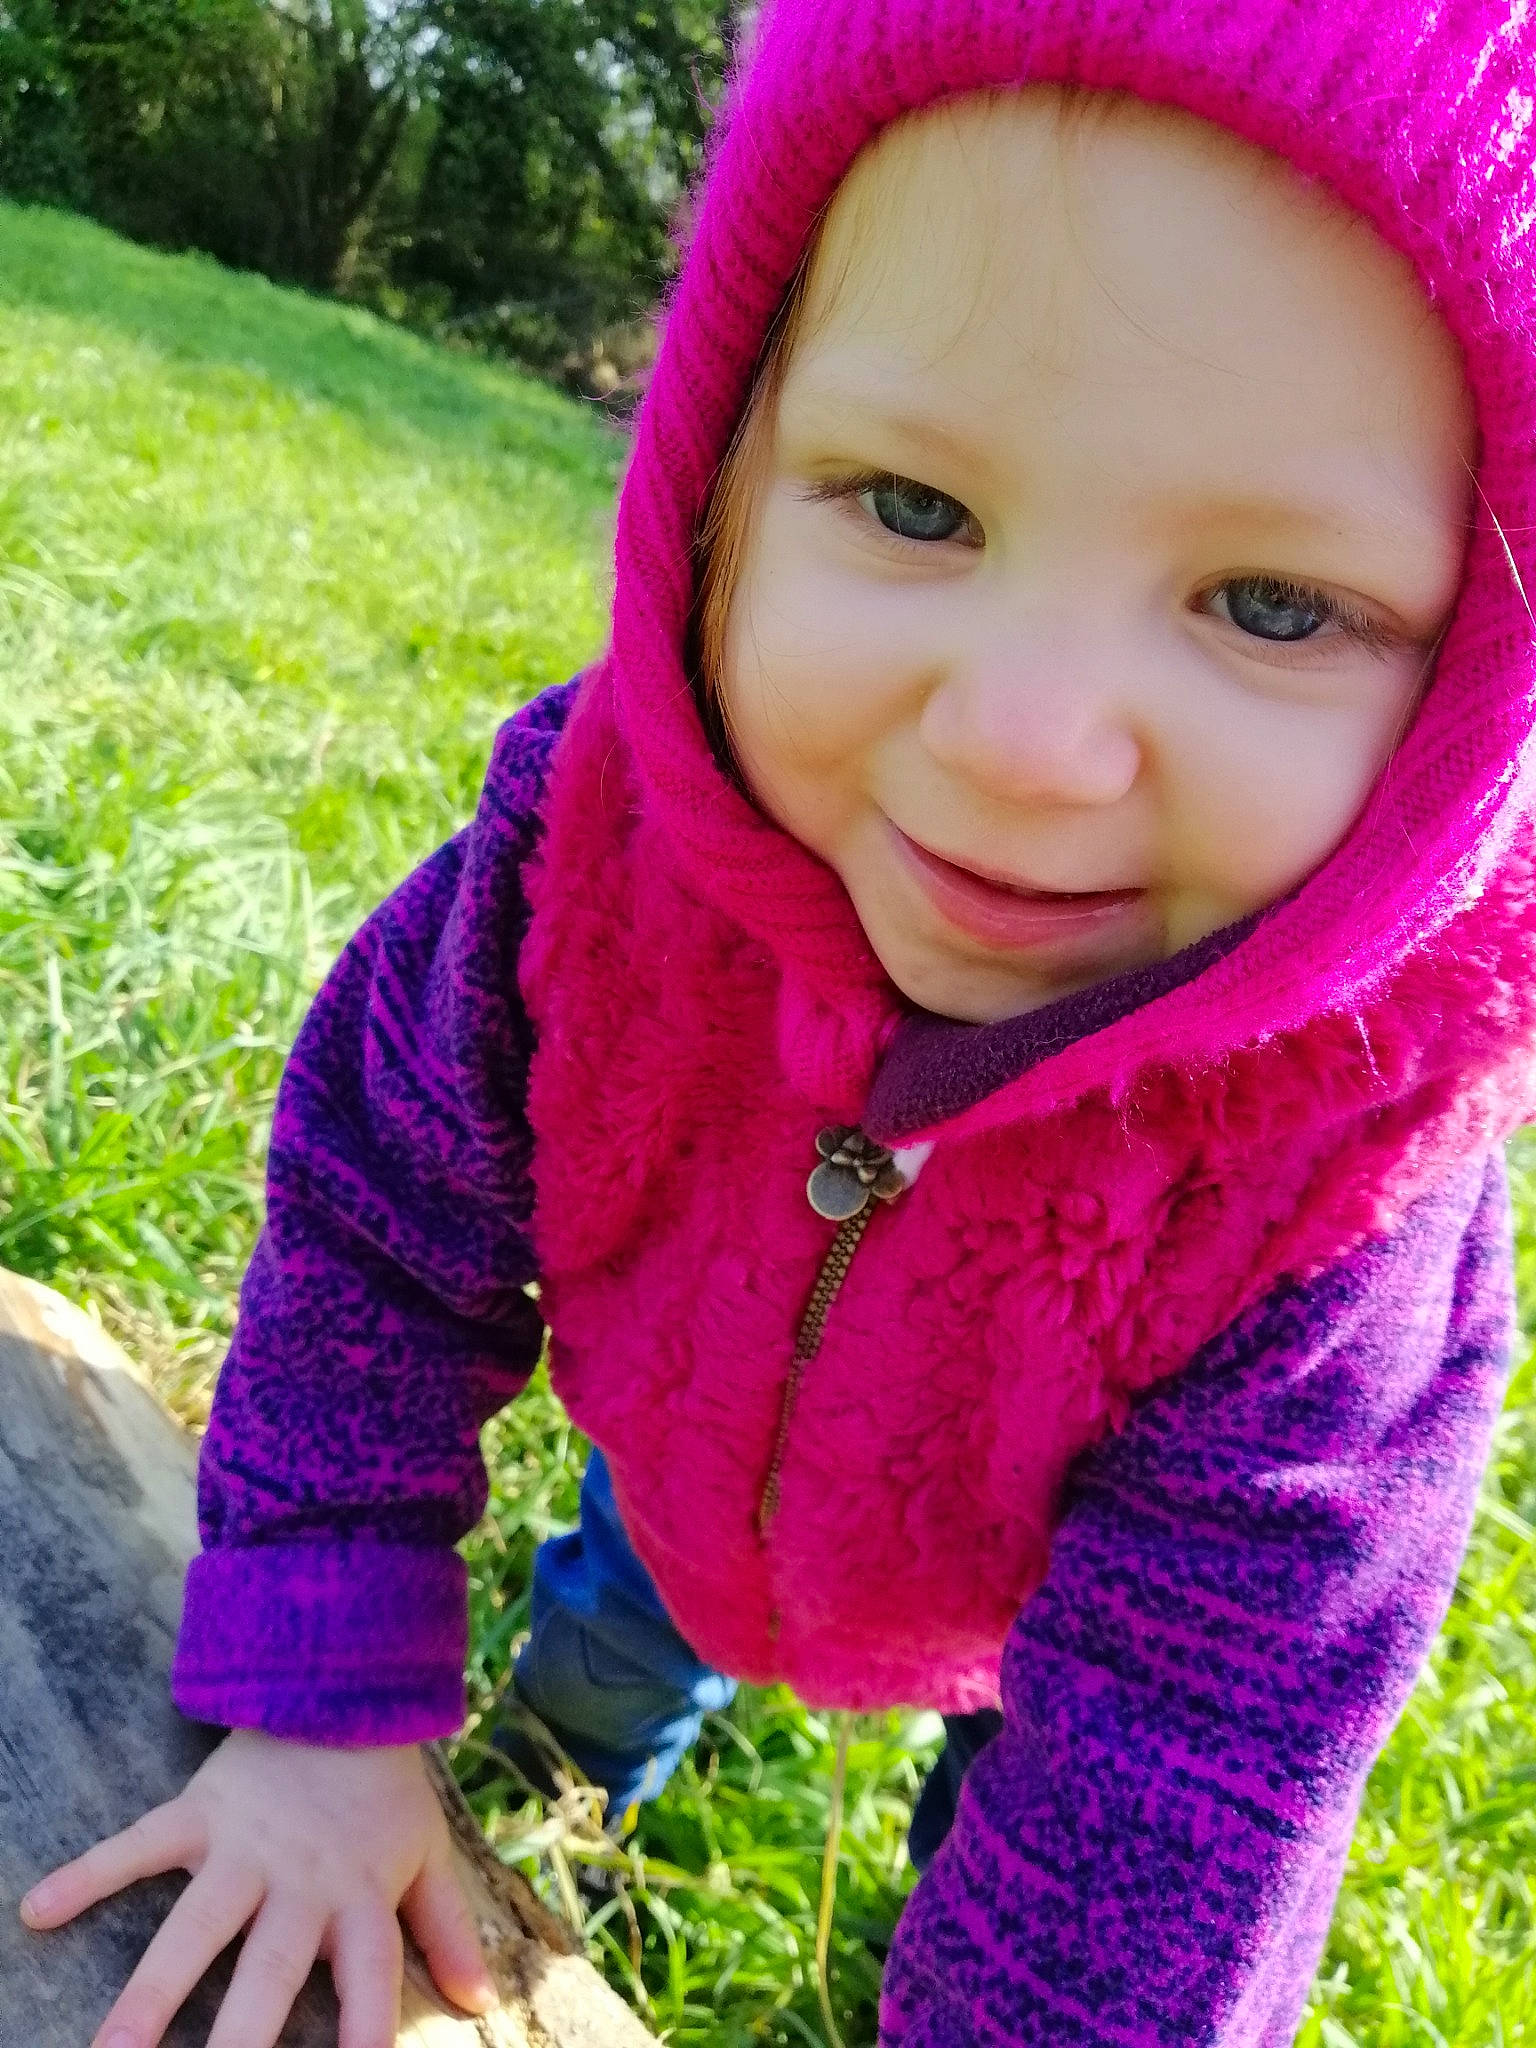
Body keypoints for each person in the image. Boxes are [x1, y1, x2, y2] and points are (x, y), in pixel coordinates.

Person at [20, 2, 1536, 2043]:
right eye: (914, 506)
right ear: (721, 465)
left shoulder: (1340, 1201)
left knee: (1032, 1825)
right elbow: (380, 1231)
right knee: (622, 1642)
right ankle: (576, 1784)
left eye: (1272, 606)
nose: (1023, 745)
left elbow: (1191, 1780)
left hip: (1037, 1620)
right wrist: (312, 1708)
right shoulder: (584, 867)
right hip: (685, 1455)